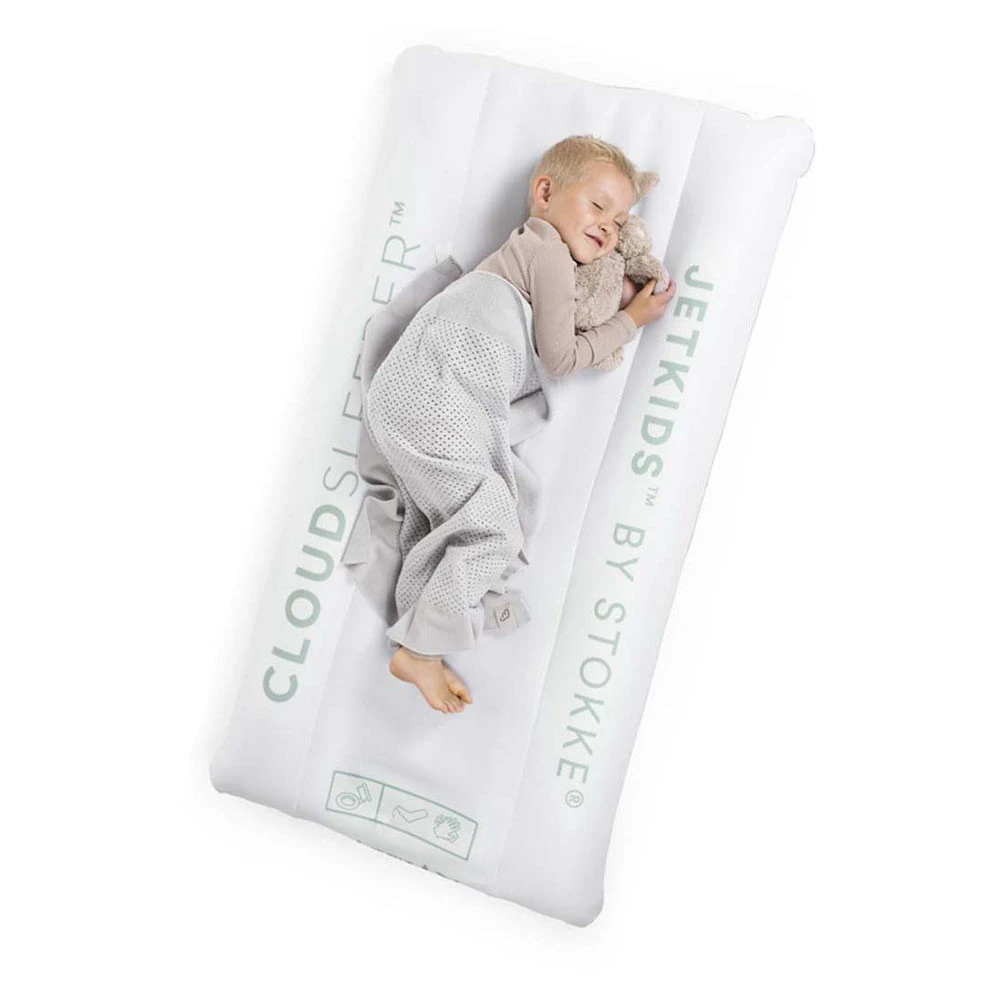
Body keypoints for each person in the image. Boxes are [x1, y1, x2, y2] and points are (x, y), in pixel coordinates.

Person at [368, 136, 675, 714]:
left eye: (621, 222)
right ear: (545, 193)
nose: (609, 228)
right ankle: (421, 648)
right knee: (494, 528)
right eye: (598, 206)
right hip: (437, 391)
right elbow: (561, 357)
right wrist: (631, 321)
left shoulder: (526, 251)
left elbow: (562, 318)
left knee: (448, 523)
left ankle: (420, 631)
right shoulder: (549, 253)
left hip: (409, 390)